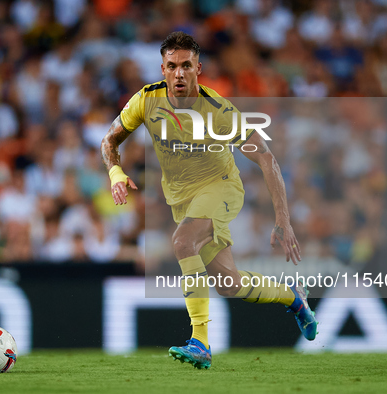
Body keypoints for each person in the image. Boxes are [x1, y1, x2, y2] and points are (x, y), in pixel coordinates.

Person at [100, 31, 317, 370]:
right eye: (172, 66)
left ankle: (200, 342)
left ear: (198, 68)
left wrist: (283, 218)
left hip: (222, 188)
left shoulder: (219, 111)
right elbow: (109, 141)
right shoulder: (145, 100)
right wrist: (115, 173)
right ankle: (294, 297)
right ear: (162, 69)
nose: (179, 74)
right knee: (229, 283)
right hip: (182, 201)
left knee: (183, 243)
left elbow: (266, 158)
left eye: (186, 65)